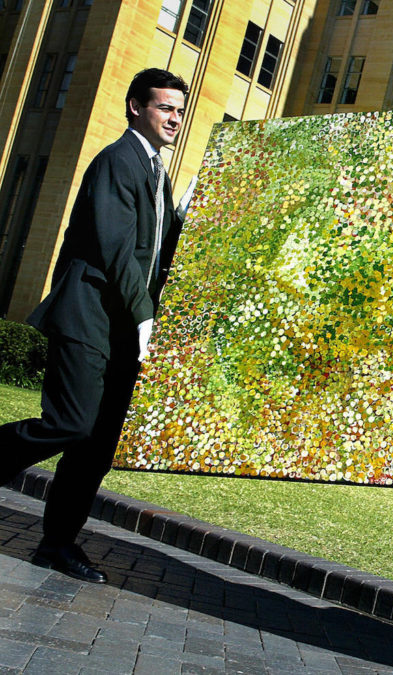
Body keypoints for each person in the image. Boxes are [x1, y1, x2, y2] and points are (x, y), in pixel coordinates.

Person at [0, 68, 189, 583]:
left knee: (96, 448)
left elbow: (156, 253)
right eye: (163, 107)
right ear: (135, 107)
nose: (174, 117)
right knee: (70, 423)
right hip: (88, 316)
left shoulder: (157, 173)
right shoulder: (117, 162)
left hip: (123, 329)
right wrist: (147, 317)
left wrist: (187, 218)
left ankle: (56, 544)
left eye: (179, 108)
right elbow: (116, 249)